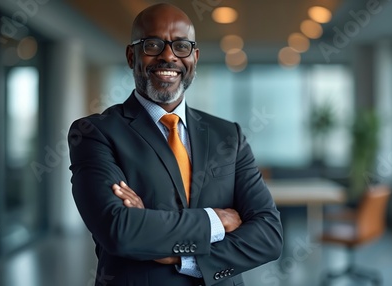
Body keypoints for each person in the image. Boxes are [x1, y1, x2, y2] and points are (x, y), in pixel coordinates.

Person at [68, 3, 283, 286]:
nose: (168, 56)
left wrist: (184, 258)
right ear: (132, 55)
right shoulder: (95, 132)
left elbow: (269, 236)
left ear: (194, 57)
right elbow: (120, 230)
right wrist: (216, 221)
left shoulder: (228, 135)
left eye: (181, 46)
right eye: (153, 44)